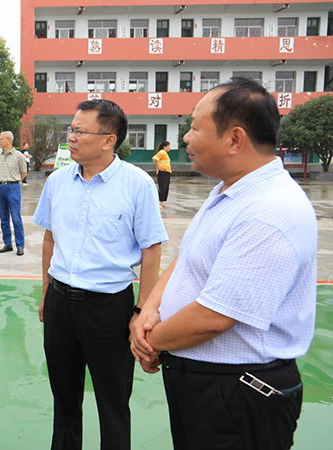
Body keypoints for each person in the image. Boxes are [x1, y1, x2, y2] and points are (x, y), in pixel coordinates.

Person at [130, 78, 317, 450]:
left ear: (234, 139)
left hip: (238, 393)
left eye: (195, 128)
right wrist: (149, 308)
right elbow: (188, 258)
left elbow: (214, 316)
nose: (186, 138)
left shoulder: (269, 210)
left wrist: (149, 341)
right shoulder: (229, 189)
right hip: (204, 383)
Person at [32, 99, 167, 450]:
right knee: (64, 399)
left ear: (109, 140)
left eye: (80, 131)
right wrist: (46, 290)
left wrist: (142, 310)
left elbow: (152, 251)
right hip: (60, 303)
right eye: (71, 129)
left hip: (109, 309)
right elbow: (50, 239)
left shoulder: (137, 184)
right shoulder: (58, 181)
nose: (71, 138)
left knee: (113, 403)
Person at [0, 131, 27, 256]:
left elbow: (24, 172)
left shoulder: (19, 156)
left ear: (9, 140)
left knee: (16, 219)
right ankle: (7, 244)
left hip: (13, 187)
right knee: (4, 219)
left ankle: (20, 245)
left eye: (1, 139)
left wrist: (15, 181)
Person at [152, 141, 172, 209]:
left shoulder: (164, 153)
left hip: (167, 172)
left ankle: (162, 203)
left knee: (165, 188)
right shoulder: (162, 152)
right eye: (168, 146)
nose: (169, 147)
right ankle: (158, 203)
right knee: (162, 187)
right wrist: (158, 167)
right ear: (165, 147)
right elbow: (155, 158)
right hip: (163, 172)